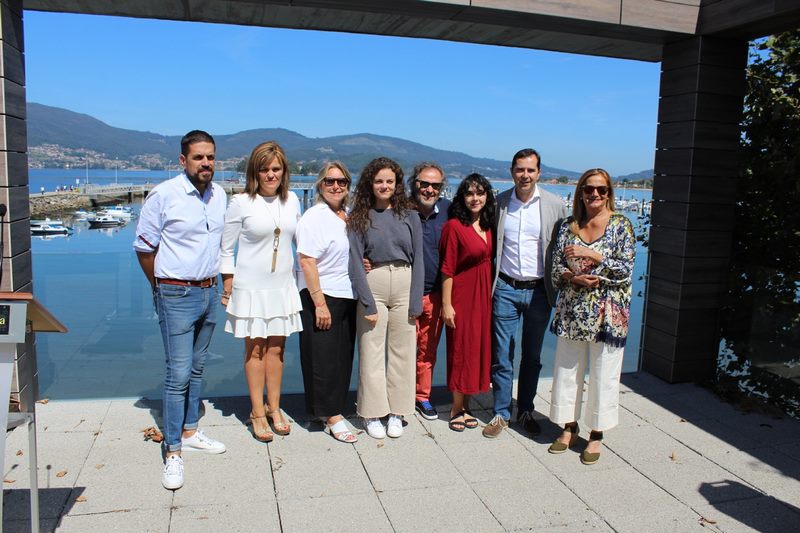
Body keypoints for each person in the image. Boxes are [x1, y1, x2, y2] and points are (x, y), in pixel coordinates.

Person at [134, 130, 227, 491]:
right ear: (183, 160)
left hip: (209, 290)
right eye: (199, 157)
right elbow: (144, 248)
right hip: (175, 292)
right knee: (178, 373)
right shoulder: (165, 195)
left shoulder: (219, 196)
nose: (206, 163)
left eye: (211, 157)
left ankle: (190, 430)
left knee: (198, 367)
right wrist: (160, 288)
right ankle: (172, 451)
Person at [547, 168, 635, 465]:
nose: (594, 195)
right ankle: (568, 427)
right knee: (567, 371)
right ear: (580, 192)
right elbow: (556, 270)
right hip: (572, 311)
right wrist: (573, 278)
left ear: (609, 192)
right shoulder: (568, 226)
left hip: (608, 314)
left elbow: (625, 271)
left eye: (601, 189)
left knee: (604, 374)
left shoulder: (621, 225)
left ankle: (596, 434)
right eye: (588, 189)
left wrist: (598, 258)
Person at [484, 148, 569, 439]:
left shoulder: (554, 205)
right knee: (502, 354)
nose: (525, 175)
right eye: (520, 169)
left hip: (539, 291)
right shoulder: (500, 203)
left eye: (530, 170)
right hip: (506, 287)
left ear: (539, 172)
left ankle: (526, 410)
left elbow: (563, 248)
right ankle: (501, 412)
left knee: (532, 355)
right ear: (512, 172)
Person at [220, 141, 302, 443]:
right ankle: (256, 411)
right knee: (254, 349)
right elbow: (226, 248)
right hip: (251, 288)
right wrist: (227, 286)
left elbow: (302, 242)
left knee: (277, 350)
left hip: (282, 286)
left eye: (276, 169)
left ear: (284, 171)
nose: (271, 174)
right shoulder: (241, 202)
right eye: (264, 169)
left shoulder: (292, 200)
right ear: (255, 171)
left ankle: (274, 407)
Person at [348, 157, 423, 439]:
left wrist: (416, 301)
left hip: (404, 282)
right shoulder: (360, 216)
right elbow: (355, 260)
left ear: (397, 184)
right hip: (374, 283)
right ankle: (371, 412)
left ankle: (397, 411)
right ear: (370, 183)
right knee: (371, 350)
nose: (384, 185)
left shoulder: (410, 215)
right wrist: (366, 300)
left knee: (403, 353)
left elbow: (419, 261)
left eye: (389, 181)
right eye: (379, 181)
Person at [296, 162, 358, 443]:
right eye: (330, 181)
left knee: (341, 357)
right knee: (322, 359)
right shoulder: (314, 216)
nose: (336, 186)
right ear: (320, 185)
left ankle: (332, 408)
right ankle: (329, 415)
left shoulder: (347, 215)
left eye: (342, 182)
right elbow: (307, 260)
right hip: (323, 295)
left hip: (347, 294)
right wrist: (319, 302)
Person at [440, 173, 495, 431]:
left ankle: (468, 405)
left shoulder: (487, 224)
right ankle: (455, 407)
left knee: (477, 349)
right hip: (462, 296)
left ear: (487, 196)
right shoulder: (454, 226)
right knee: (461, 349)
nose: (475, 198)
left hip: (484, 297)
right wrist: (447, 304)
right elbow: (447, 269)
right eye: (470, 193)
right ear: (462, 197)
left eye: (480, 193)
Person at [408, 162, 450, 420]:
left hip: (435, 294)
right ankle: (397, 397)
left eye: (435, 185)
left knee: (427, 351)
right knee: (401, 350)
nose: (429, 189)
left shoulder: (448, 210)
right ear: (415, 183)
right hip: (404, 294)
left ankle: (422, 396)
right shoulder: (400, 209)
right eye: (424, 183)